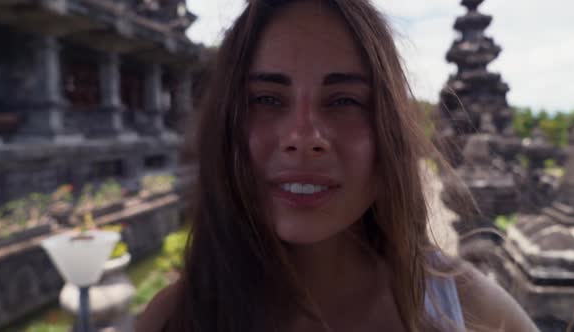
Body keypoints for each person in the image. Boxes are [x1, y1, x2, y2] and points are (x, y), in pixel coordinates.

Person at [137, 0, 539, 331]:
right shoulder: (172, 321)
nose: (304, 138)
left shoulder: (469, 311)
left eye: (344, 101)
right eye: (266, 99)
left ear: (388, 133)